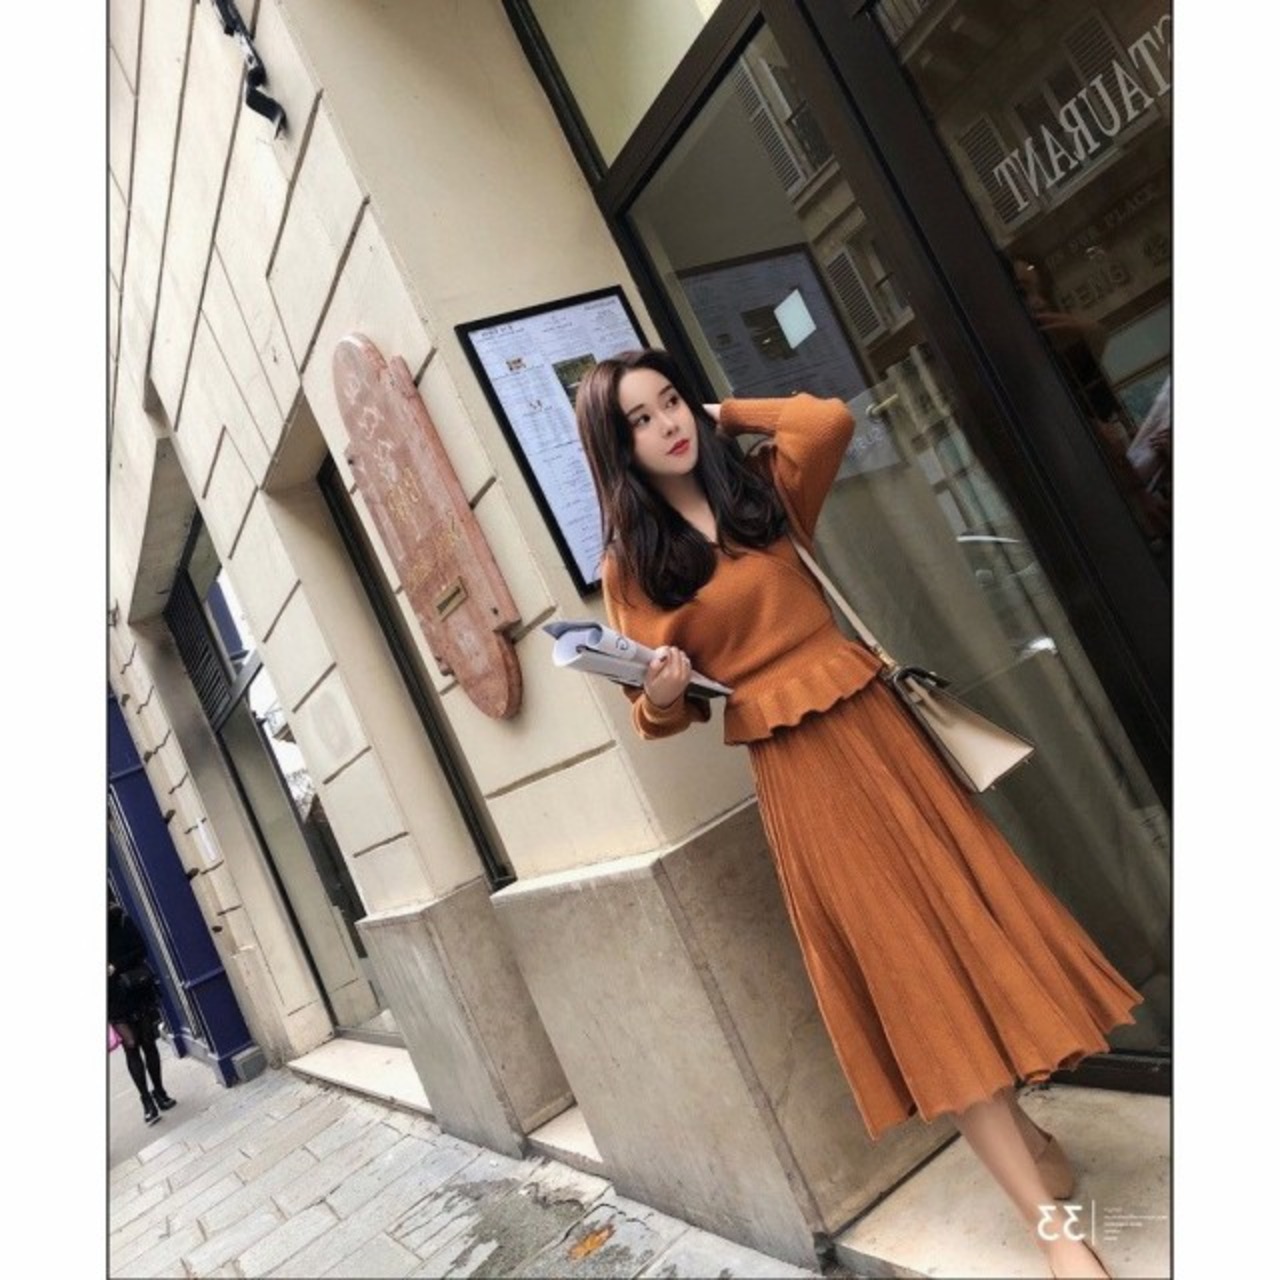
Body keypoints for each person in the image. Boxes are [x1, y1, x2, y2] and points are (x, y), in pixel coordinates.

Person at [575, 348, 1141, 1280]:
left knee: (965, 936)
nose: (666, 424)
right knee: (917, 982)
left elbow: (827, 421)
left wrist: (724, 411)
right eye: (639, 418)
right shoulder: (633, 568)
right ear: (615, 446)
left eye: (670, 401)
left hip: (881, 737)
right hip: (802, 778)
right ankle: (1055, 1237)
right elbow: (653, 715)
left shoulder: (759, 494)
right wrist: (667, 692)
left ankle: (1029, 1140)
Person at [108, 901, 176, 1126]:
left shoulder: (122, 920)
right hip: (112, 999)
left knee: (148, 1042)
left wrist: (115, 966)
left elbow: (140, 950)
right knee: (131, 1046)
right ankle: (146, 1100)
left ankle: (159, 1091)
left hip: (137, 989)